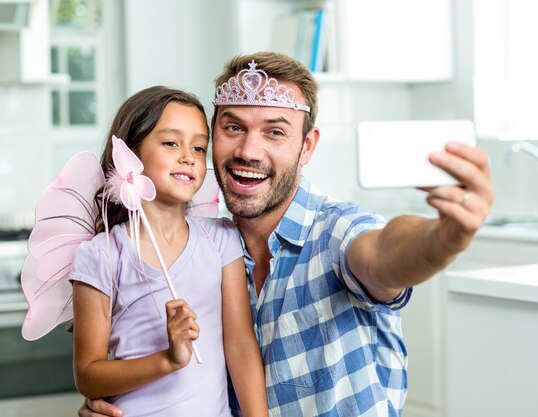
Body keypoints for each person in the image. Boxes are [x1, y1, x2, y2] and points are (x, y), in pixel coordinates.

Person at [80, 52, 493, 417]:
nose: (248, 151)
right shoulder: (208, 243)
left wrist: (443, 238)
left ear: (307, 146)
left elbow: (386, 253)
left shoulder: (336, 232)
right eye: (233, 128)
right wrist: (117, 397)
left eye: (275, 132)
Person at [71, 86, 268, 417]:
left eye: (198, 147)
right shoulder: (101, 255)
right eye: (170, 143)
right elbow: (88, 377)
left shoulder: (221, 240)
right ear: (130, 155)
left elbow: (240, 344)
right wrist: (168, 359)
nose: (188, 156)